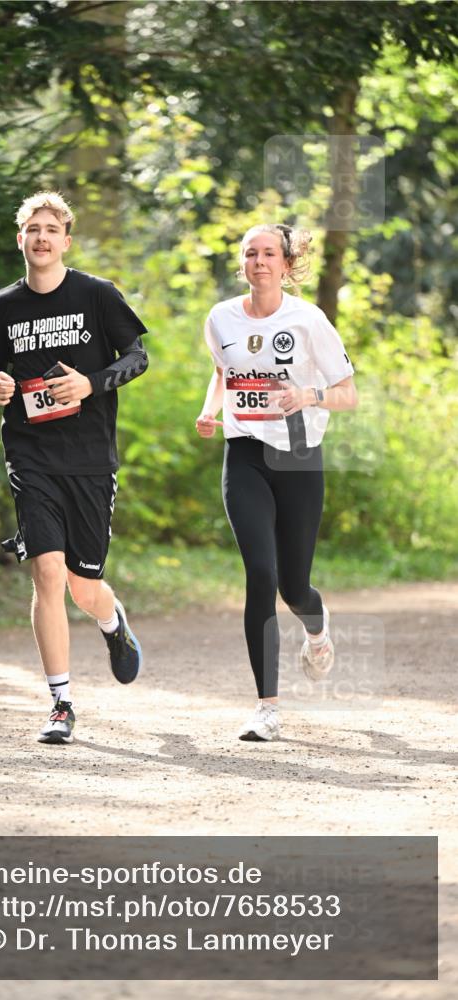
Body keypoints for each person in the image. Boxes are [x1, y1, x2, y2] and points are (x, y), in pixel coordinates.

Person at [0, 191, 148, 745]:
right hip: (30, 455)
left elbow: (137, 357)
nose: (42, 237)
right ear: (21, 239)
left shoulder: (96, 294)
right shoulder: (4, 305)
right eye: (33, 229)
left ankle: (112, 621)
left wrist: (90, 384)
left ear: (66, 241)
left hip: (90, 458)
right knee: (48, 572)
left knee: (83, 586)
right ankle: (61, 703)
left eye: (52, 229)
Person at [196, 223, 358, 741]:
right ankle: (267, 707)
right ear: (241, 263)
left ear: (286, 265)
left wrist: (308, 396)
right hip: (244, 455)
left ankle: (317, 627)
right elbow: (223, 373)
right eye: (251, 254)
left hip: (299, 458)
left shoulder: (308, 319)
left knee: (294, 587)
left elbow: (348, 392)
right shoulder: (220, 318)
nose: (259, 262)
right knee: (261, 575)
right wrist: (209, 411)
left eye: (269, 253)